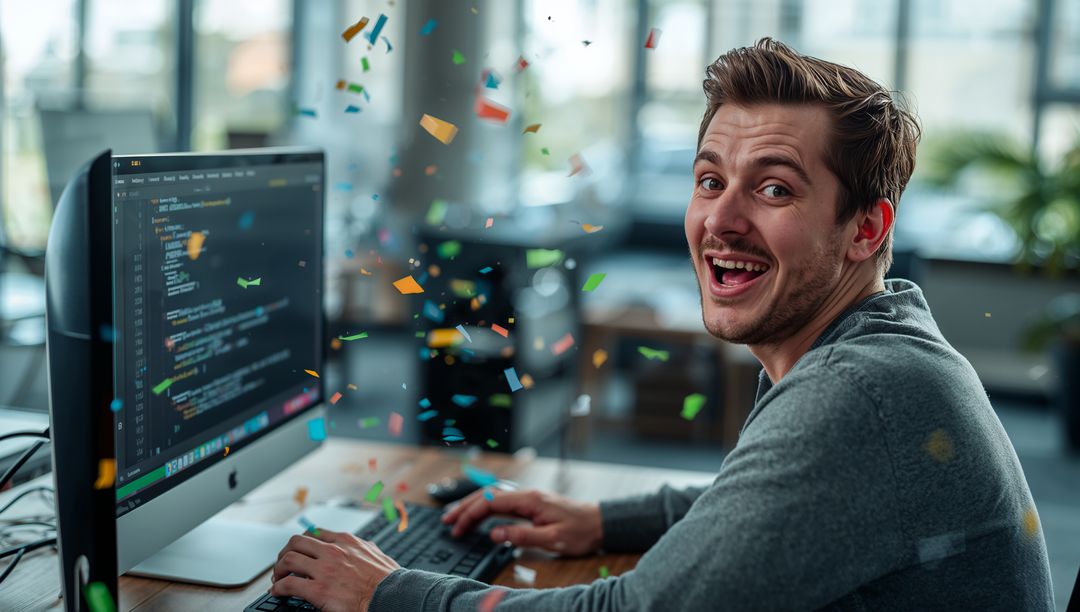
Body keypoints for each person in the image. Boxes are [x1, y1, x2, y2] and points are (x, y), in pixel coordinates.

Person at [268, 38, 1055, 611]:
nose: (723, 219)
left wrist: (388, 591)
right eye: (710, 179)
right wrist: (599, 518)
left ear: (865, 228)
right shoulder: (878, 342)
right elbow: (761, 505)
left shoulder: (861, 393)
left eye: (774, 190)